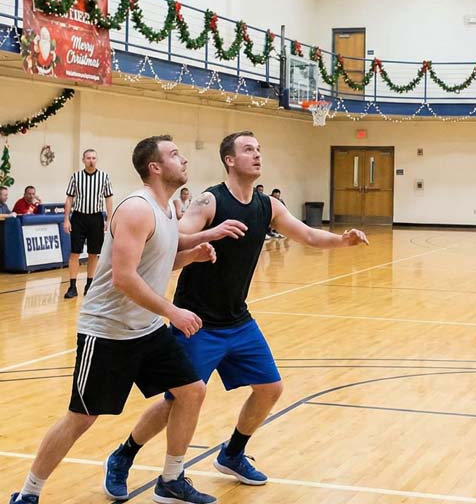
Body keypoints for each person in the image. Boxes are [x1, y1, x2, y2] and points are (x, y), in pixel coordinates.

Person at [103, 131, 368, 497]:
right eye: (248, 150)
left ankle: (232, 453)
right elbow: (172, 239)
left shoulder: (267, 207)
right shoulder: (210, 201)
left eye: (259, 149)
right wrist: (210, 233)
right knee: (176, 401)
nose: (257, 155)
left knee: (270, 389)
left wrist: (342, 240)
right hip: (196, 320)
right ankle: (124, 455)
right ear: (230, 160)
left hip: (238, 319)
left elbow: (307, 235)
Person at [7, 135, 246, 504]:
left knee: (191, 391)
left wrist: (191, 256)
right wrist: (173, 311)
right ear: (154, 167)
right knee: (81, 417)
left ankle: (170, 479)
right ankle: (28, 493)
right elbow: (124, 276)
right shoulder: (137, 208)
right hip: (107, 332)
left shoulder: (168, 210)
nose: (183, 159)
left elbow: (157, 263)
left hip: (146, 330)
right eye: (174, 154)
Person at [63, 149, 114, 299]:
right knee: (75, 253)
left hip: (96, 218)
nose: (91, 160)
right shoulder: (76, 177)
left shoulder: (104, 177)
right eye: (88, 158)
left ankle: (89, 285)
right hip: (78, 217)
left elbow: (109, 199)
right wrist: (66, 218)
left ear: (96, 160)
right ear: (83, 160)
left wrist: (109, 219)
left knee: (93, 253)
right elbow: (69, 199)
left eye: (93, 158)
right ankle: (72, 286)